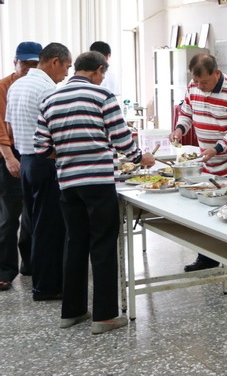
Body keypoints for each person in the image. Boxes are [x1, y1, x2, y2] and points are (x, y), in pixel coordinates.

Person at [34, 51, 155, 334]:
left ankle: (72, 312)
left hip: (67, 183)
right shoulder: (103, 97)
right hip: (99, 182)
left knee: (75, 243)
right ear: (98, 70)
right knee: (102, 245)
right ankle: (104, 316)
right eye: (102, 74)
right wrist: (141, 158)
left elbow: (40, 147)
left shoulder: (50, 99)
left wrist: (68, 155)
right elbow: (122, 139)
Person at [170, 53, 227, 272]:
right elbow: (186, 111)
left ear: (216, 73)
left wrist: (216, 149)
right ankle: (207, 258)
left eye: (204, 82)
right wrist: (180, 129)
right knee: (205, 213)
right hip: (208, 163)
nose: (200, 86)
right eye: (196, 81)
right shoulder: (194, 85)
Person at [5, 42, 72, 300]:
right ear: (54, 61)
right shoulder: (46, 88)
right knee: (50, 227)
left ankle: (35, 273)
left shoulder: (17, 84)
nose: (66, 74)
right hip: (45, 162)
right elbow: (55, 131)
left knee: (33, 223)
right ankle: (47, 287)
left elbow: (9, 128)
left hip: (26, 161)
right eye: (66, 67)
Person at [0, 41, 40, 292]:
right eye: (25, 64)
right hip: (9, 153)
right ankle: (5, 269)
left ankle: (30, 262)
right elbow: (1, 127)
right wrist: (8, 157)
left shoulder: (40, 85)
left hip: (32, 152)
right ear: (15, 62)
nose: (28, 69)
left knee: (32, 211)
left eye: (34, 65)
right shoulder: (3, 86)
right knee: (9, 214)